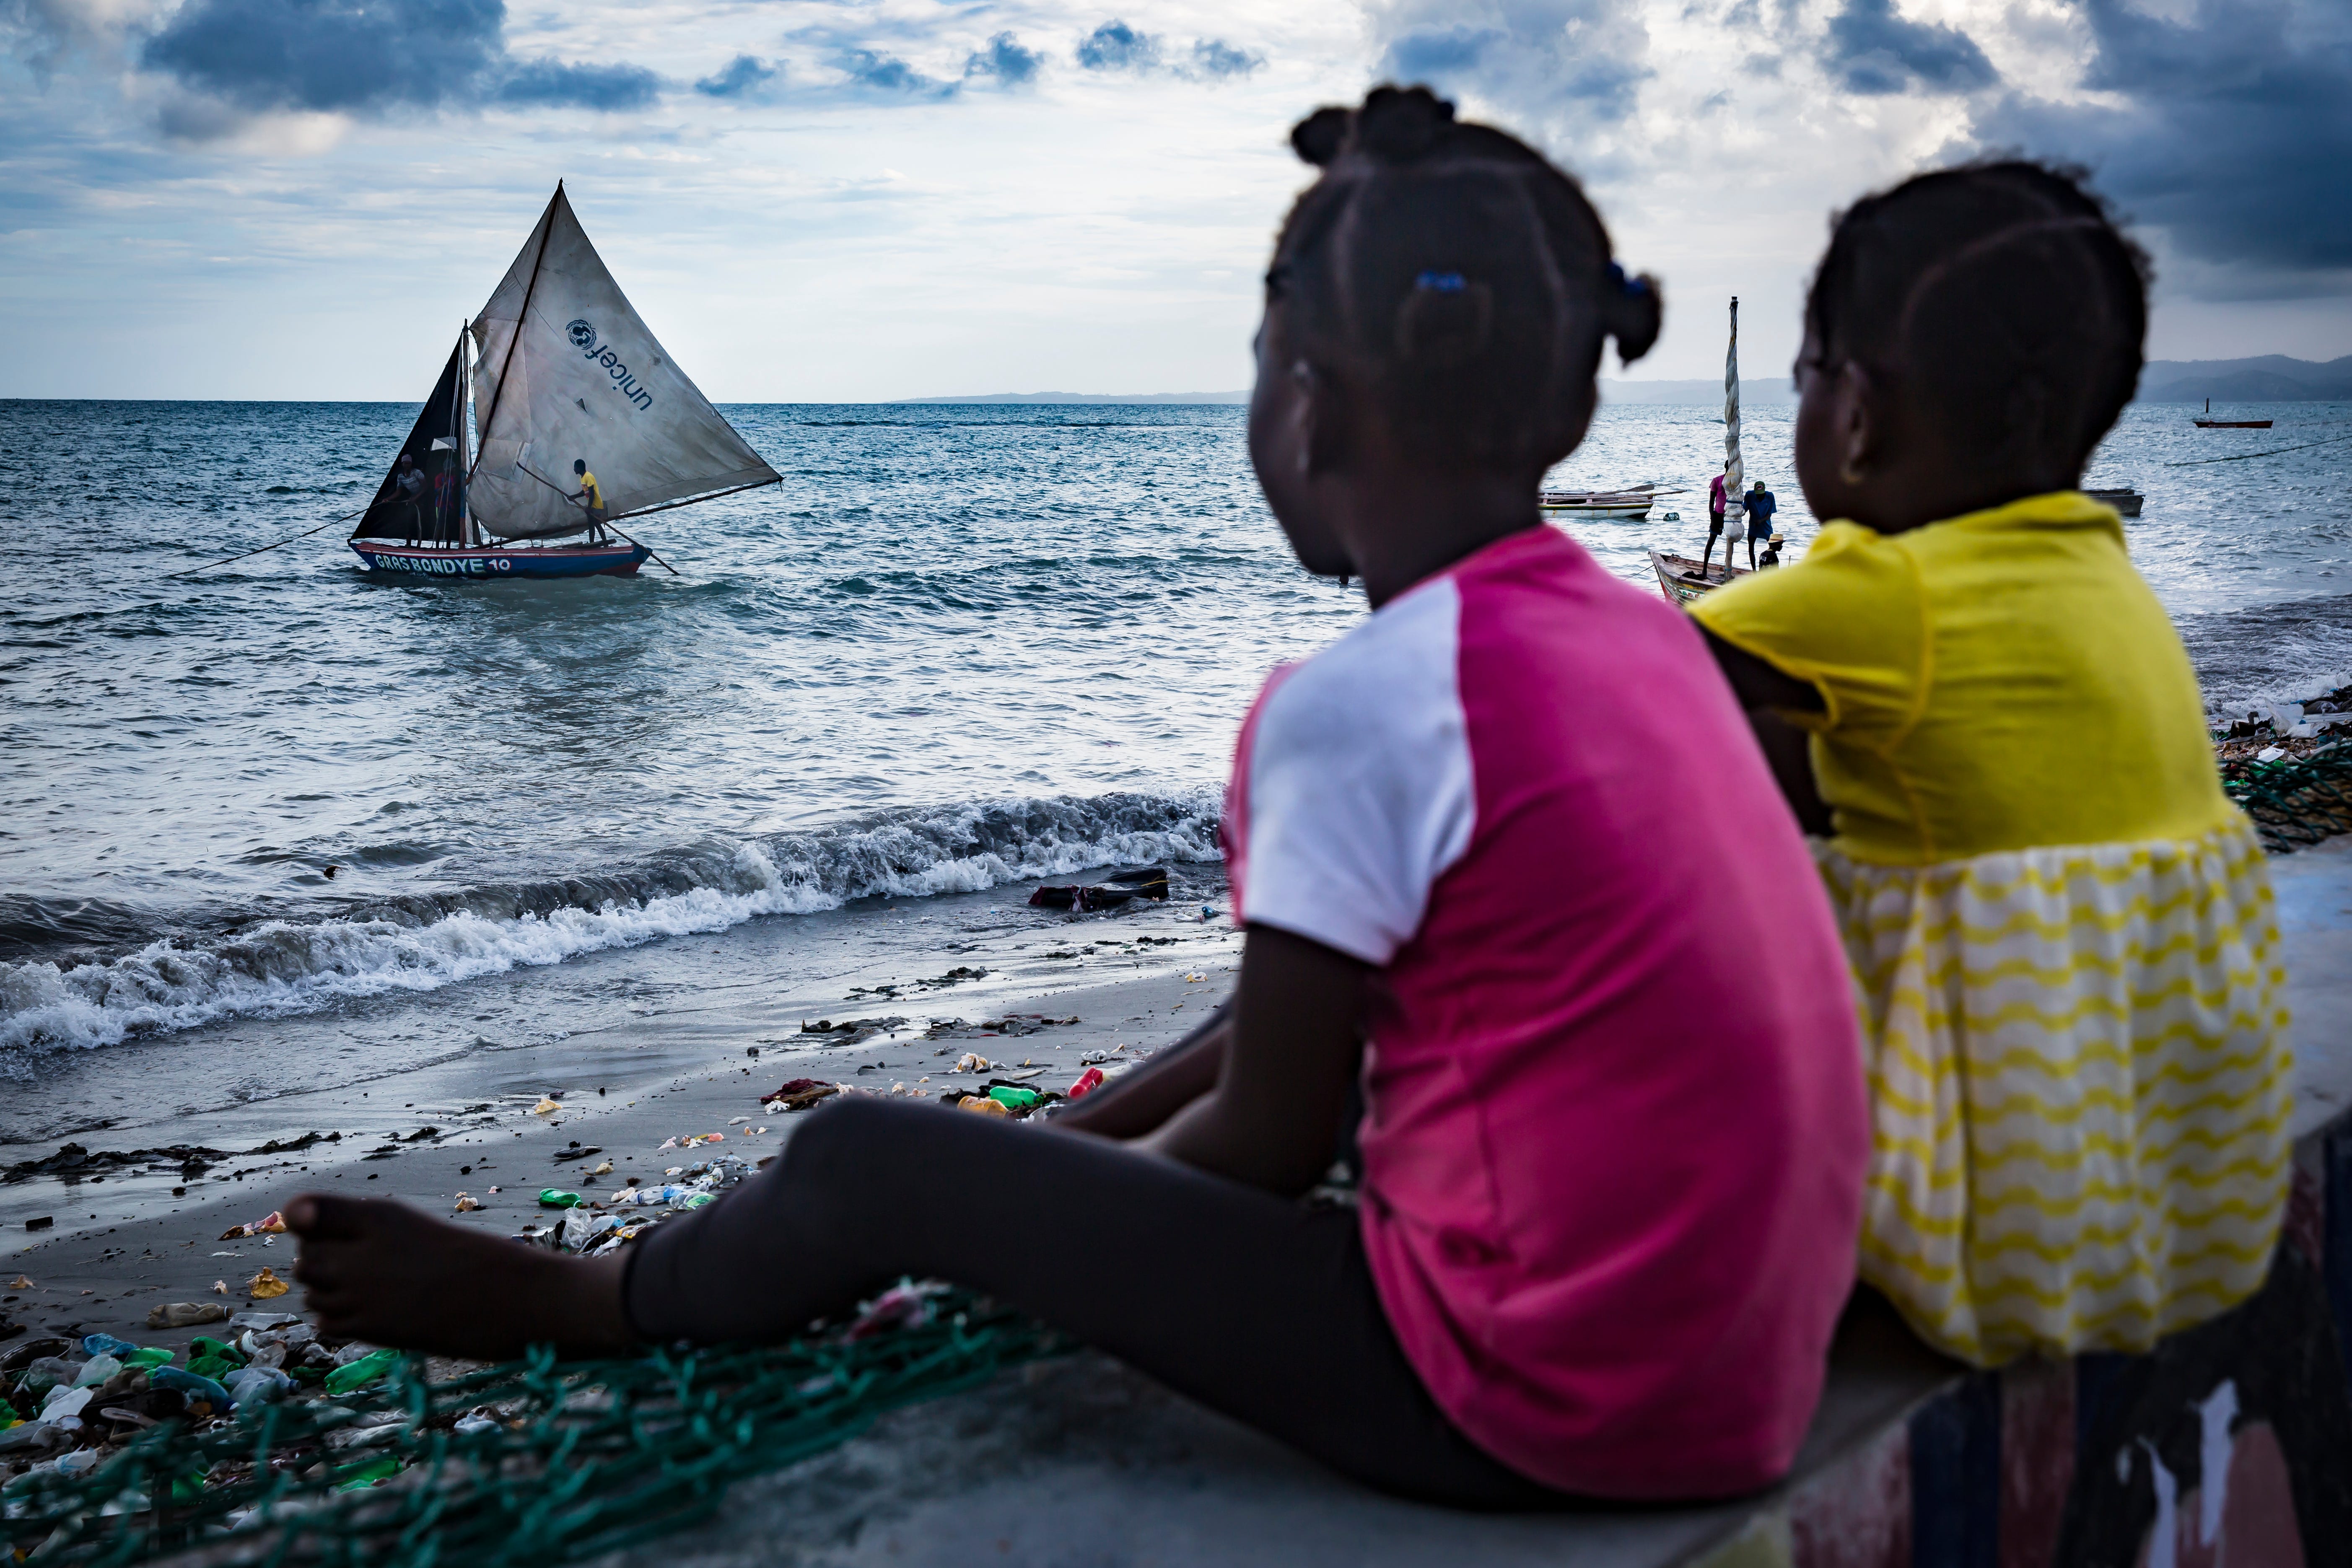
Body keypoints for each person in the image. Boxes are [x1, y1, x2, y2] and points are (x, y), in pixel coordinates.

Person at [288, 86, 1870, 1507]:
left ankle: (583, 1302)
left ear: (1309, 403)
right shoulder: (1646, 645)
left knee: (861, 1162)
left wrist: (979, 1228)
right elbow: (1273, 1042)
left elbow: (1271, 1136)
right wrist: (1053, 1165)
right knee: (1001, 1141)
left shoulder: (1360, 706)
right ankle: (860, 1211)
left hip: (1530, 1402)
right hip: (1735, 1382)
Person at [1688, 160, 2292, 1370]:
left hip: (1955, 1239)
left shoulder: (1884, 586)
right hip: (2169, 1222)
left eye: (1804, 377)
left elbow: (1580, 691)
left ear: (1853, 412)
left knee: (1680, 737)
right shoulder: (2110, 582)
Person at [1703, 460, 1731, 573]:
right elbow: (1711, 502)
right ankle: (1704, 569)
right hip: (1718, 515)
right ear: (1726, 467)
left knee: (1730, 542)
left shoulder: (1735, 482)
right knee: (1711, 541)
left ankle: (1728, 569)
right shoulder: (1717, 481)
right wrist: (1712, 516)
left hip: (1730, 515)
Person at [1745, 479, 1776, 568]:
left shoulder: (1770, 496)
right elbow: (1744, 509)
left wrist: (1761, 521)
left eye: (1762, 494)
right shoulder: (1750, 495)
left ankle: (1773, 568)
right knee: (1751, 548)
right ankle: (1754, 570)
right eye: (1758, 495)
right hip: (1754, 526)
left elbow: (1769, 515)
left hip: (1766, 525)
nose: (1760, 497)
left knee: (1773, 548)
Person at [573, 458, 608, 536]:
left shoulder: (588, 477)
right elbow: (585, 492)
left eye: (575, 467)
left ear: (579, 468)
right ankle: (592, 544)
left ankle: (606, 545)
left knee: (597, 524)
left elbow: (592, 494)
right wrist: (574, 497)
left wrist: (589, 508)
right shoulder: (583, 478)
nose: (574, 469)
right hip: (592, 505)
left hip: (596, 505)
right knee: (591, 526)